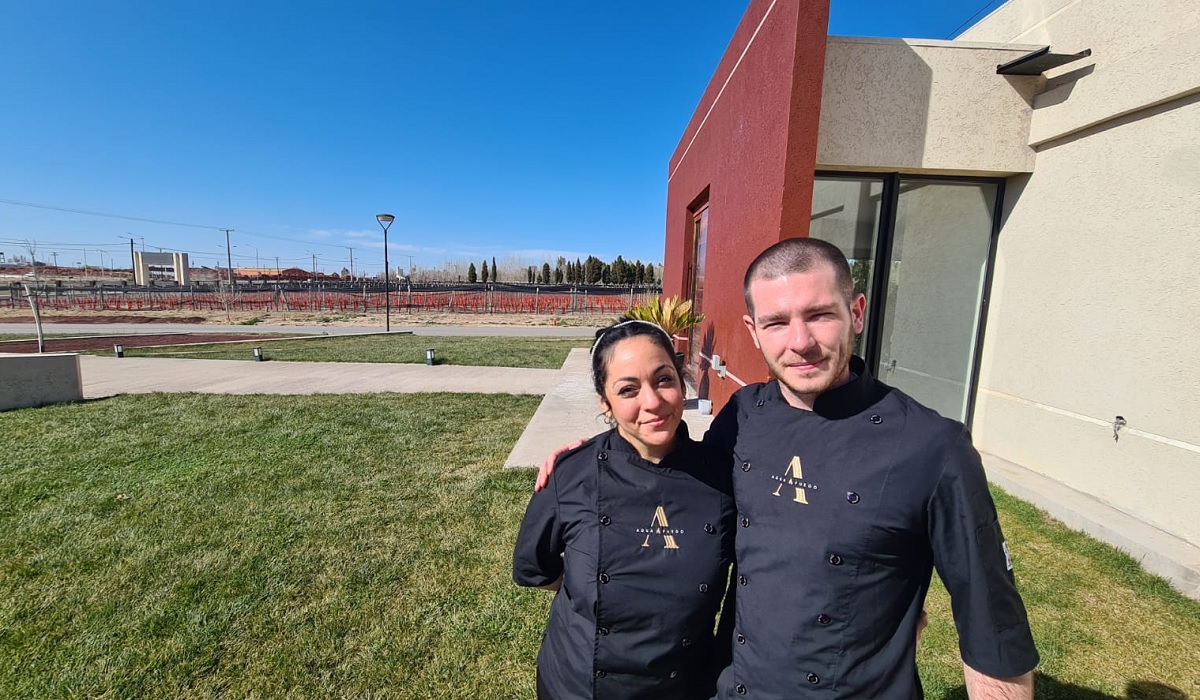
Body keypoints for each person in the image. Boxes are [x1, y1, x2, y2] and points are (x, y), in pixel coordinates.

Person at [538, 238, 1038, 699]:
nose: (799, 342)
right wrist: (595, 456)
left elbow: (993, 630)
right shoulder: (744, 414)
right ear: (754, 332)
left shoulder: (933, 447)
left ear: (856, 312)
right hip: (729, 686)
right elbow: (675, 479)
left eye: (819, 315)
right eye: (777, 323)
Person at [513, 319, 738, 699]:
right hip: (578, 686)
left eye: (663, 379)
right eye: (628, 389)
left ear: (681, 381)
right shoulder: (572, 475)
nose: (652, 402)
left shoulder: (722, 479)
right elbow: (535, 569)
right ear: (605, 403)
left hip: (681, 686)